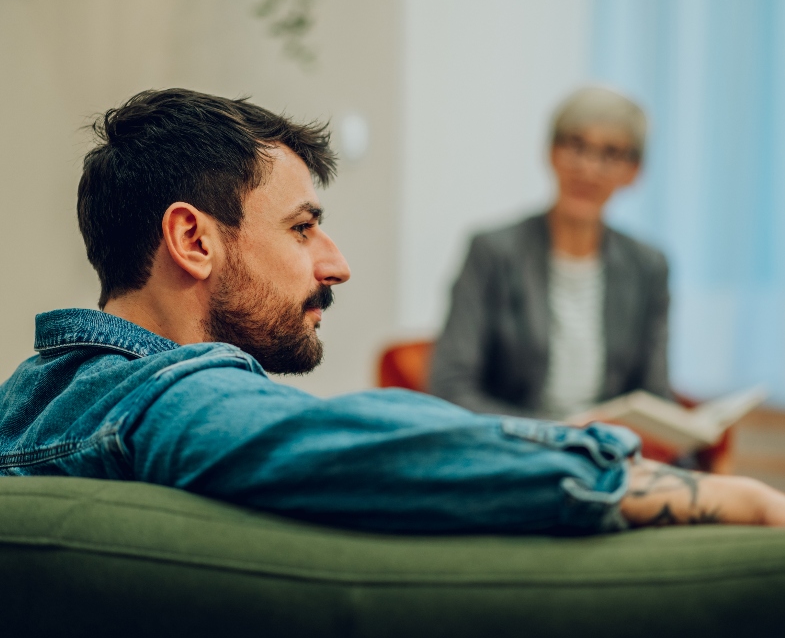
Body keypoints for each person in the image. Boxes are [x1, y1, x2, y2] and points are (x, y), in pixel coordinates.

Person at [1, 88, 784, 533]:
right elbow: (367, 442)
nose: (336, 262)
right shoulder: (166, 401)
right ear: (192, 240)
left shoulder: (33, 394)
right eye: (304, 226)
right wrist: (722, 494)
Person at [430, 86, 668, 420]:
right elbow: (451, 386)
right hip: (516, 447)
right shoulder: (492, 252)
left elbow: (655, 394)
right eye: (576, 146)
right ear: (551, 152)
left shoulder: (648, 267)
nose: (588, 167)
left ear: (633, 172)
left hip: (606, 453)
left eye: (610, 153)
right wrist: (556, 438)